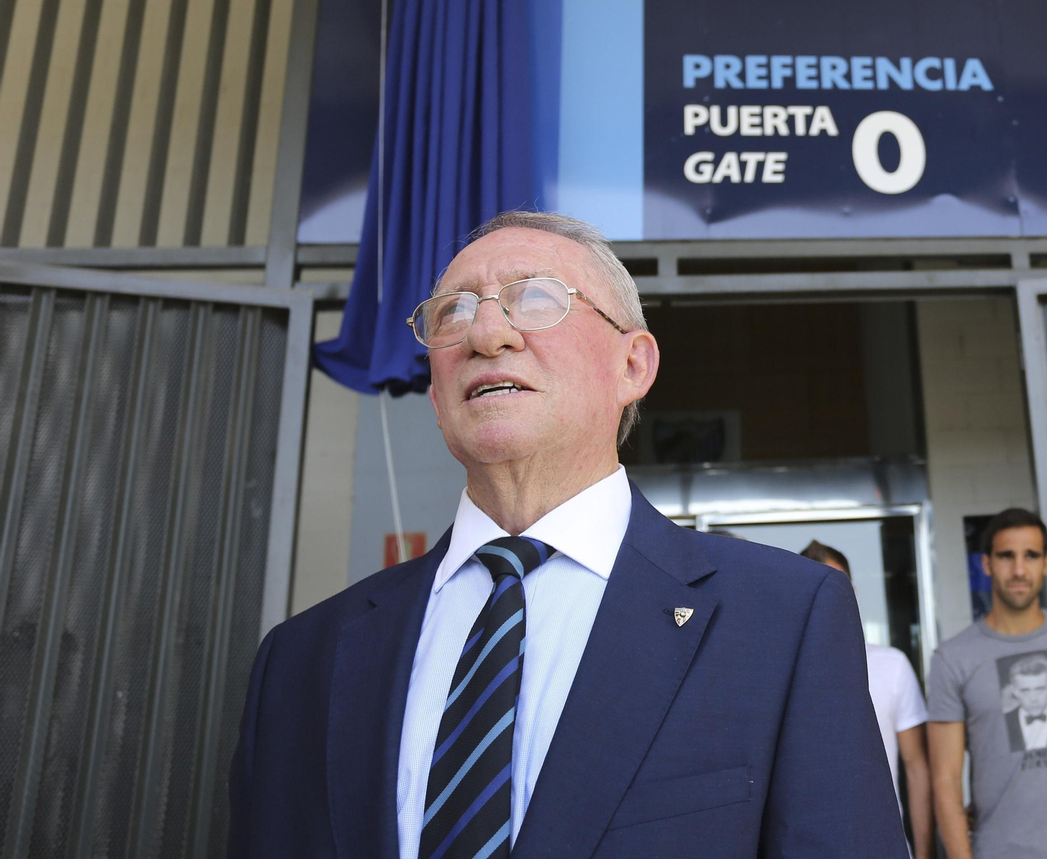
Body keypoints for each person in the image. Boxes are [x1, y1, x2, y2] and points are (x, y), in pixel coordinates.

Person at [228, 211, 907, 859]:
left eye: (535, 298)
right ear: (436, 397)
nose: (486, 334)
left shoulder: (782, 619)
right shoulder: (301, 660)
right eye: (453, 311)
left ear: (633, 367)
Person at [925, 509, 1047, 859]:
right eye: (1006, 556)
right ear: (986, 564)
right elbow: (945, 782)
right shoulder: (952, 658)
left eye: (1031, 555)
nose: (1019, 570)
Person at [800, 539, 933, 859]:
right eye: (813, 587)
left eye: (835, 586)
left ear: (853, 593)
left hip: (882, 846)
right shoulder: (777, 673)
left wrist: (924, 854)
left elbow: (916, 770)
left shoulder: (893, 664)